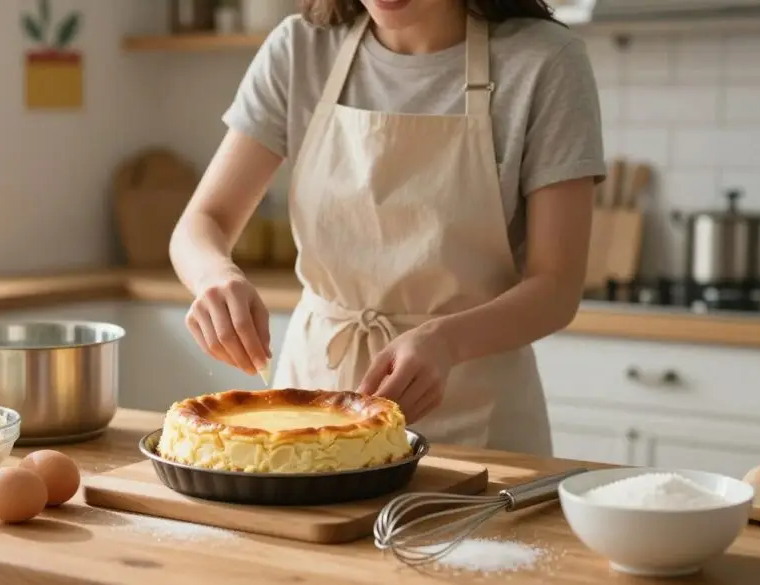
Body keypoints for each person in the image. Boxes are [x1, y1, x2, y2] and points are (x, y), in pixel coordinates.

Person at [169, 0, 605, 456]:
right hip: (308, 418)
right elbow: (203, 222)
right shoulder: (300, 49)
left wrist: (446, 341)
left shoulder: (545, 62)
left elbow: (556, 286)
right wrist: (216, 278)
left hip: (477, 425)